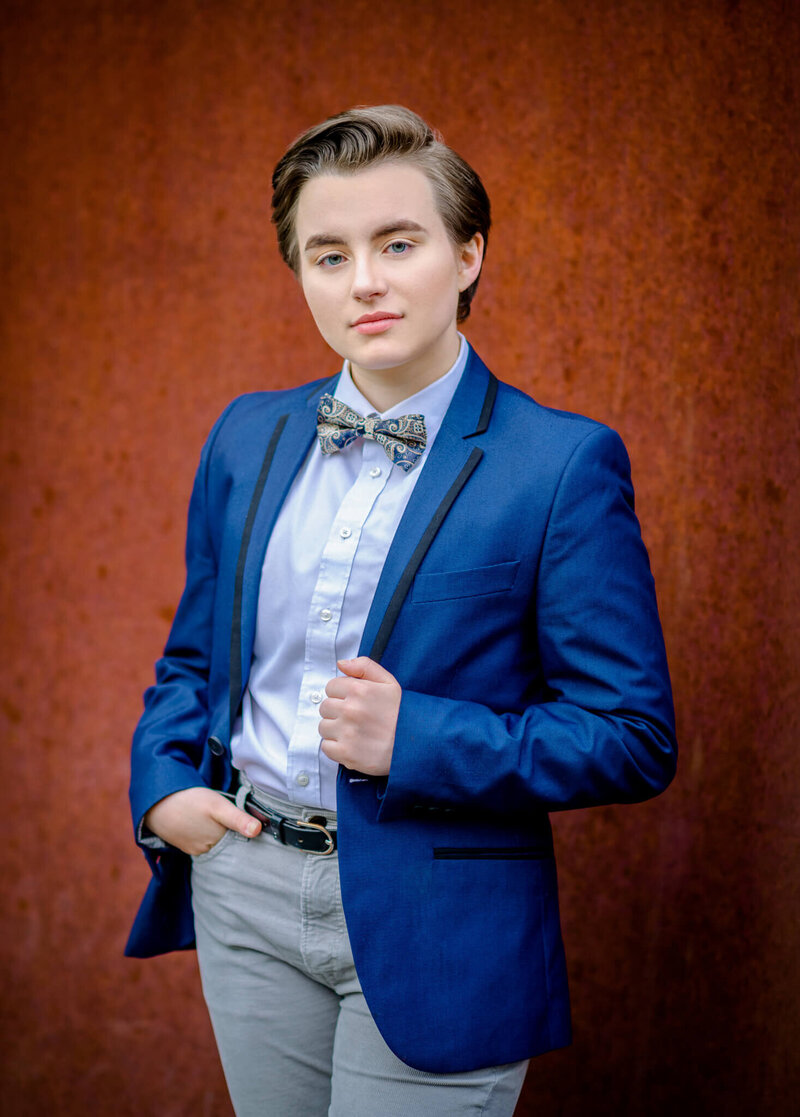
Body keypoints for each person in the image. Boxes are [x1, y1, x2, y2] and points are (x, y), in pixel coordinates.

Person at [127, 105, 676, 1116]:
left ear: (467, 254)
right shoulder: (245, 436)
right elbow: (195, 658)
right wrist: (162, 787)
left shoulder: (560, 464)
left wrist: (414, 734)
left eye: (397, 243)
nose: (363, 281)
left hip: (441, 911)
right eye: (327, 254)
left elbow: (631, 736)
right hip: (243, 887)